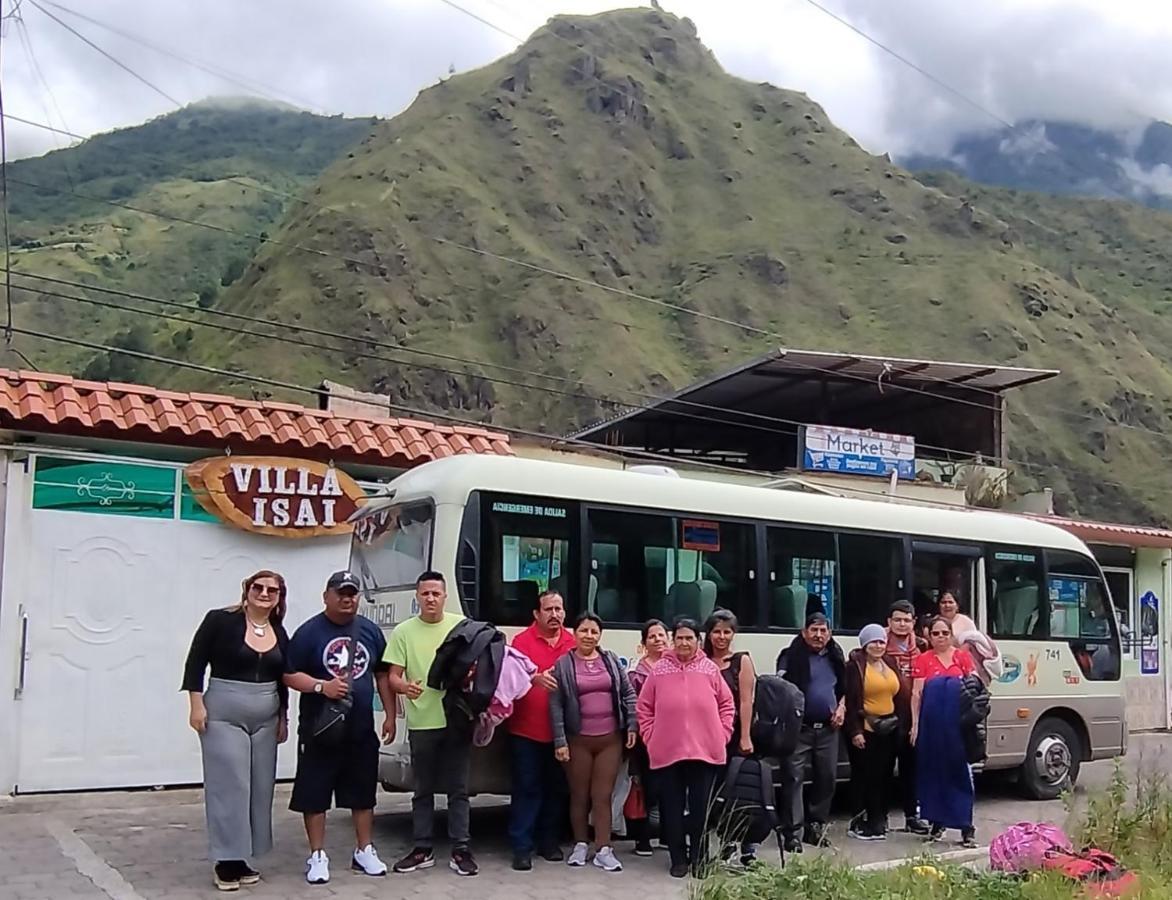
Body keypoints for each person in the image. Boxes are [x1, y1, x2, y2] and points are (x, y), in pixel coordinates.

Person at [284, 571, 396, 886]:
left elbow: (383, 674)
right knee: (314, 794)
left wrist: (389, 713)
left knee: (363, 793)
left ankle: (364, 850)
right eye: (340, 593)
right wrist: (322, 687)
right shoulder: (309, 632)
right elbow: (289, 675)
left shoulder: (370, 631)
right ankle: (317, 854)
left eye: (352, 594)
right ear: (326, 596)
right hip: (321, 729)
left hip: (360, 729)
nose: (347, 599)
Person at [183, 570, 291, 892]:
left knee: (259, 787)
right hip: (224, 712)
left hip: (266, 716)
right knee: (231, 785)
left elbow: (283, 678)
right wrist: (196, 705)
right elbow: (195, 664)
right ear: (247, 589)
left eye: (272, 590)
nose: (264, 593)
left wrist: (284, 717)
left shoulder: (279, 631)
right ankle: (225, 861)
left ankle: (243, 856)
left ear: (279, 597)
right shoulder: (220, 620)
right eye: (258, 587)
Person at [385, 572, 478, 876]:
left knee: (459, 789)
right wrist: (403, 687)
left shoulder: (460, 626)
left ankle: (461, 849)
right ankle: (422, 848)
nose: (430, 599)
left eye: (436, 594)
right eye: (425, 594)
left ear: (445, 596)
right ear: (417, 596)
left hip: (457, 719)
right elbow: (392, 675)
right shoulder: (404, 632)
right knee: (422, 789)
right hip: (422, 720)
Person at [636, 618, 734, 878]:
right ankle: (678, 859)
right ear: (673, 640)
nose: (684, 642)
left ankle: (699, 857)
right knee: (672, 808)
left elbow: (727, 705)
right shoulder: (659, 671)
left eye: (689, 638)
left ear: (698, 641)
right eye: (679, 638)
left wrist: (722, 734)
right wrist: (650, 735)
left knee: (701, 809)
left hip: (705, 751)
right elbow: (644, 707)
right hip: (668, 751)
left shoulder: (710, 669)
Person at [550, 613, 638, 873]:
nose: (589, 636)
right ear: (574, 634)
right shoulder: (563, 664)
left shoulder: (610, 660)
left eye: (594, 631)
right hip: (577, 740)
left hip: (610, 740)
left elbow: (628, 693)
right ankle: (580, 844)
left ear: (600, 635)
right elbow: (555, 704)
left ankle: (603, 849)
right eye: (584, 631)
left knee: (602, 796)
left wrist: (632, 724)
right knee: (579, 795)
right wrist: (560, 741)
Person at [507, 590, 576, 871]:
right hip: (526, 730)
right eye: (549, 609)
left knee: (556, 789)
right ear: (536, 614)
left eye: (559, 609)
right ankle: (521, 847)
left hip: (562, 734)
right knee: (527, 788)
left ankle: (549, 842)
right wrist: (532, 678)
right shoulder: (521, 642)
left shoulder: (573, 642)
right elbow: (509, 680)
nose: (555, 615)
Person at [777, 612, 846, 852]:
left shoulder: (835, 657)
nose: (818, 635)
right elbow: (781, 689)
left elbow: (844, 688)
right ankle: (792, 834)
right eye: (813, 630)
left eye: (823, 630)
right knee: (793, 779)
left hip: (828, 730)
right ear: (804, 632)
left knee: (826, 778)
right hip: (799, 730)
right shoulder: (790, 656)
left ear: (829, 633)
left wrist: (842, 707)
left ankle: (815, 827)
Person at [910, 616, 978, 848]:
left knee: (960, 775)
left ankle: (966, 827)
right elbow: (916, 694)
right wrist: (915, 725)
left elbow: (975, 689)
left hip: (957, 727)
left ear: (951, 635)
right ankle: (937, 823)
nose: (940, 637)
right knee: (933, 774)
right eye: (936, 633)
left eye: (945, 633)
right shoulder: (923, 660)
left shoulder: (962, 657)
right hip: (931, 726)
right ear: (929, 636)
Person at [703, 609, 759, 866]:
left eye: (727, 631)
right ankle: (726, 843)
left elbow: (746, 701)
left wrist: (745, 737)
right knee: (716, 794)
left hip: (736, 736)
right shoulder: (701, 659)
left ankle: (747, 848)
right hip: (707, 737)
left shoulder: (741, 661)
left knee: (741, 792)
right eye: (717, 631)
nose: (721, 637)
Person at [845, 624, 910, 841]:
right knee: (865, 777)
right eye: (873, 642)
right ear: (864, 644)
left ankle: (879, 820)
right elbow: (851, 701)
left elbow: (899, 694)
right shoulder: (855, 667)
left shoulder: (889, 663)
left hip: (888, 728)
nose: (878, 646)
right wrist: (855, 731)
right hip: (866, 729)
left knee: (884, 777)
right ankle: (861, 822)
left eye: (881, 641)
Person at [885, 600, 929, 835]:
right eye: (897, 620)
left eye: (907, 620)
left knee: (911, 770)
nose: (902, 624)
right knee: (881, 770)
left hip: (912, 718)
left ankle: (912, 816)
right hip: (884, 717)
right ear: (889, 622)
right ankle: (877, 819)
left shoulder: (922, 647)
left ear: (913, 623)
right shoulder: (878, 646)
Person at [627, 619, 669, 856]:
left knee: (670, 790)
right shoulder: (636, 673)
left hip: (673, 741)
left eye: (661, 635)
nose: (658, 640)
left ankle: (667, 836)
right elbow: (633, 706)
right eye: (652, 637)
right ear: (644, 643)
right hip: (647, 741)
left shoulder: (676, 666)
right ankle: (642, 839)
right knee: (648, 790)